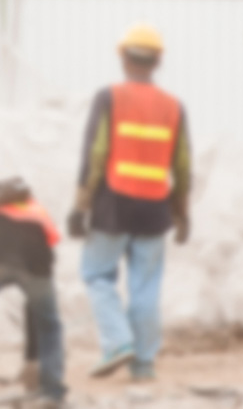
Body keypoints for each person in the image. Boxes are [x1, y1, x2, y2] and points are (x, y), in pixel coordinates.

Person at [67, 24, 190, 383]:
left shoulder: (109, 97)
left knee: (96, 274)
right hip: (154, 209)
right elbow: (182, 164)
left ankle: (118, 342)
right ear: (158, 61)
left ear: (123, 57)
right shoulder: (173, 106)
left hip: (113, 206)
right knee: (146, 286)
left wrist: (80, 207)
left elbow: (96, 154)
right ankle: (144, 363)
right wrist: (182, 213)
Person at [0, 176, 67, 407]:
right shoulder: (32, 205)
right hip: (36, 263)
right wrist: (32, 358)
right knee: (48, 323)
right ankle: (51, 391)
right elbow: (49, 247)